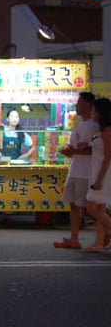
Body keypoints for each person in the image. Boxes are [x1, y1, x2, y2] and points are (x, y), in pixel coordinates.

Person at [53, 92, 97, 249]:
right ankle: (74, 238)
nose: (77, 106)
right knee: (74, 205)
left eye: (79, 103)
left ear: (88, 105)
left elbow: (93, 149)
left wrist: (73, 151)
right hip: (75, 170)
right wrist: (67, 149)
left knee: (91, 208)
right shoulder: (78, 124)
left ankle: (104, 234)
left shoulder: (93, 126)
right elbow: (74, 146)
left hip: (86, 172)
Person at [82, 97, 111, 253]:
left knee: (92, 208)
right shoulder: (100, 129)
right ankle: (99, 243)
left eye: (94, 110)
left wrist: (99, 179)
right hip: (97, 170)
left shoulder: (108, 130)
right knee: (100, 208)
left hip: (104, 172)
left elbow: (108, 156)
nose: (92, 113)